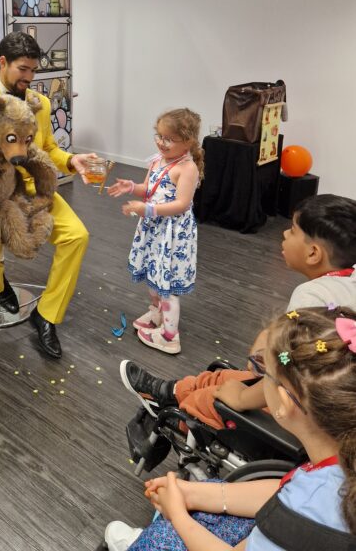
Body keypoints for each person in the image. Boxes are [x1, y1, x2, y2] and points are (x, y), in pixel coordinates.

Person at [105, 306, 356, 551]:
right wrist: (195, 494)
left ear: (284, 404)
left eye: (264, 374)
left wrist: (178, 515)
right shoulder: (332, 467)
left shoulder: (308, 508)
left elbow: (296, 502)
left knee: (159, 539)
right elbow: (287, 488)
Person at [119, 194, 356, 428]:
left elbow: (289, 376)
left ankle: (173, 419)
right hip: (328, 398)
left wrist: (243, 397)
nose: (284, 234)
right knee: (223, 378)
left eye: (293, 230)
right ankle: (169, 392)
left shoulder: (310, 296)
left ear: (313, 253)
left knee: (211, 398)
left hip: (304, 409)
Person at [0, 32, 96, 359]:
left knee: (77, 236)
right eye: (23, 69)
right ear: (3, 62)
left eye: (33, 71)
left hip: (32, 189)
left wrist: (71, 161)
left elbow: (48, 149)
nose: (29, 78)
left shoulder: (40, 103)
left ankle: (47, 314)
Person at [108, 109, 203, 354]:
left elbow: (182, 204)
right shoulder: (157, 160)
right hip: (154, 229)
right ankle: (158, 315)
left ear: (188, 142)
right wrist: (131, 187)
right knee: (153, 276)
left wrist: (147, 210)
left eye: (169, 139)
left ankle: (170, 337)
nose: (161, 142)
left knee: (166, 284)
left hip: (172, 234)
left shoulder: (187, 168)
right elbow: (148, 188)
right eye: (159, 136)